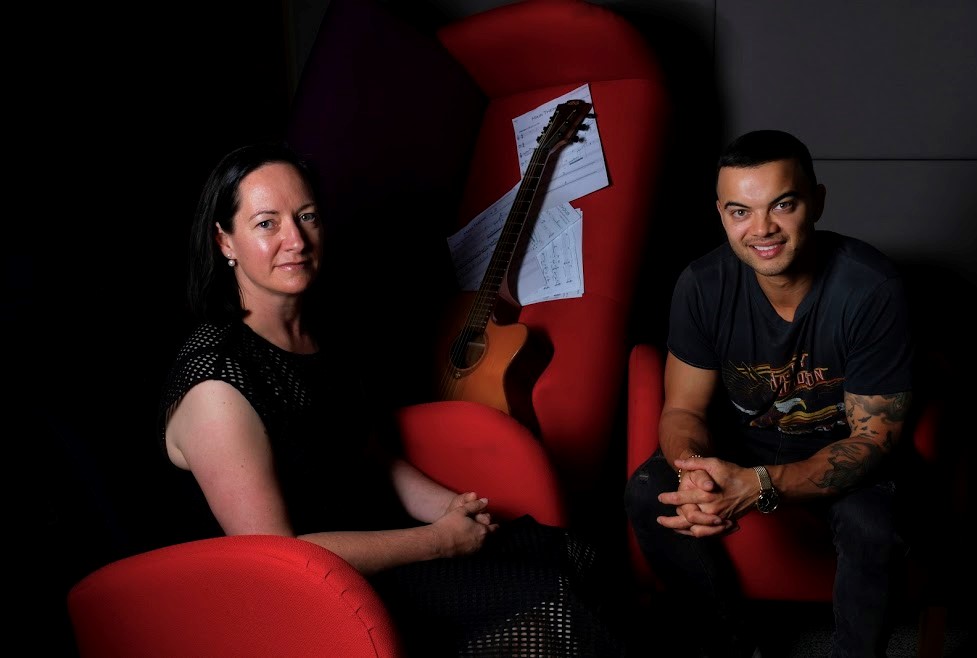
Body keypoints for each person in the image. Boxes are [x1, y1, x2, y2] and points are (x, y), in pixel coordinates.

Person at [156, 141, 626, 657]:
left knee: (575, 554)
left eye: (306, 216)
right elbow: (278, 559)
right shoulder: (217, 383)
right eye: (267, 223)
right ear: (224, 241)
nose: (296, 240)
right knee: (553, 605)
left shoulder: (320, 332)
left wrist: (452, 508)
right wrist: (438, 540)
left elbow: (372, 457)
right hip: (317, 591)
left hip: (382, 538)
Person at [624, 130, 915, 658]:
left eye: (783, 205)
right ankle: (731, 646)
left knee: (873, 523)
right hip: (743, 444)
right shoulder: (702, 284)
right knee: (650, 490)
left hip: (839, 447)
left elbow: (874, 439)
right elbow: (683, 409)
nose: (761, 230)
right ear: (721, 214)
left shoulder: (869, 287)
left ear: (816, 202)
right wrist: (694, 470)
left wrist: (759, 485)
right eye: (741, 211)